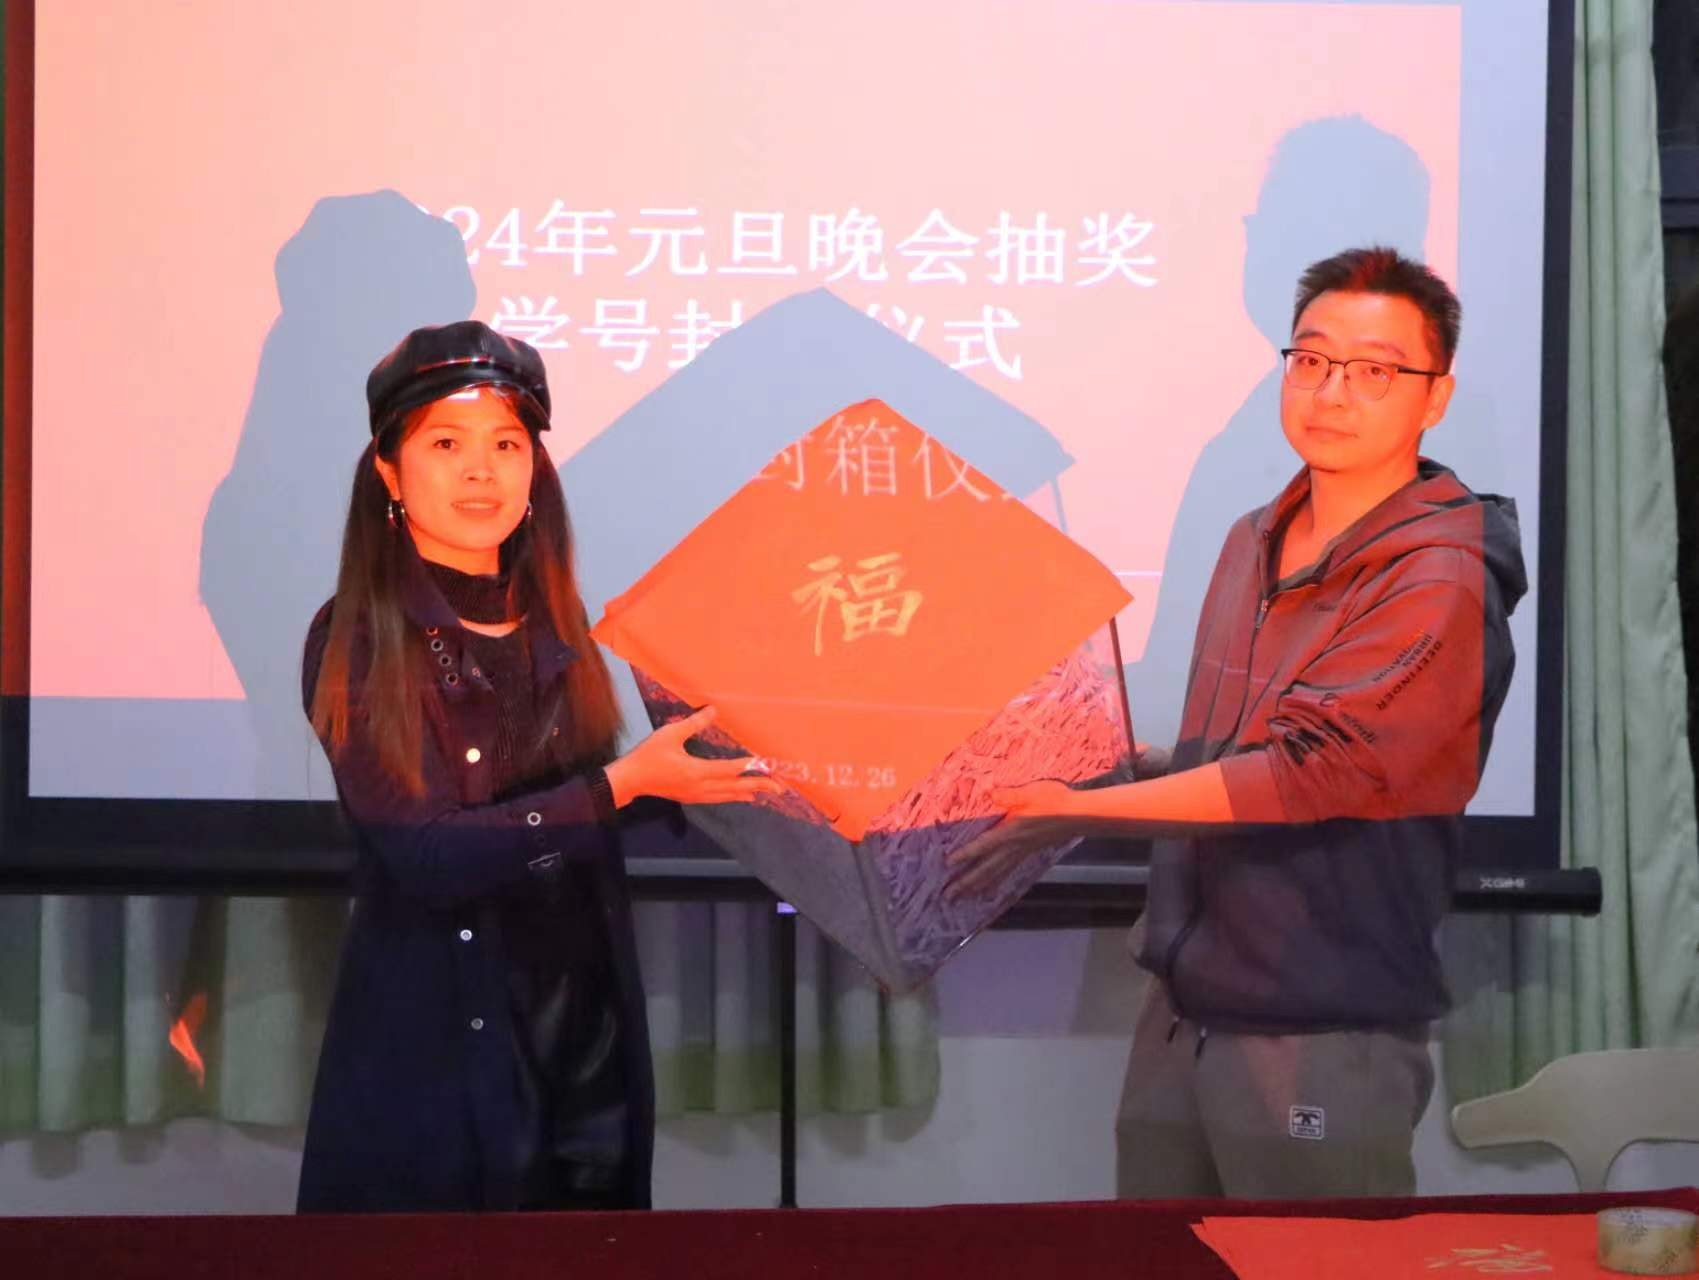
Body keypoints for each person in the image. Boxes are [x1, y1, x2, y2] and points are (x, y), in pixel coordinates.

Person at [951, 246, 1527, 1198]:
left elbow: (1309, 772)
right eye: (1312, 360)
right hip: (1184, 1004)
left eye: (1374, 371)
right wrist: (1135, 764)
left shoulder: (1440, 576)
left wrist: (1068, 812)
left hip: (1320, 1021)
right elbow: (1247, 748)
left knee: (1306, 1261)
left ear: (1435, 397)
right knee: (1155, 1256)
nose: (1331, 392)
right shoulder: (1252, 534)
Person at [297, 321, 780, 1212]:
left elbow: (576, 816)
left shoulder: (554, 618)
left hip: (585, 1032)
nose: (481, 471)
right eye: (446, 444)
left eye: (507, 445)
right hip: (445, 1044)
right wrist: (624, 784)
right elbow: (428, 855)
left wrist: (708, 768)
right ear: (390, 472)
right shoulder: (358, 635)